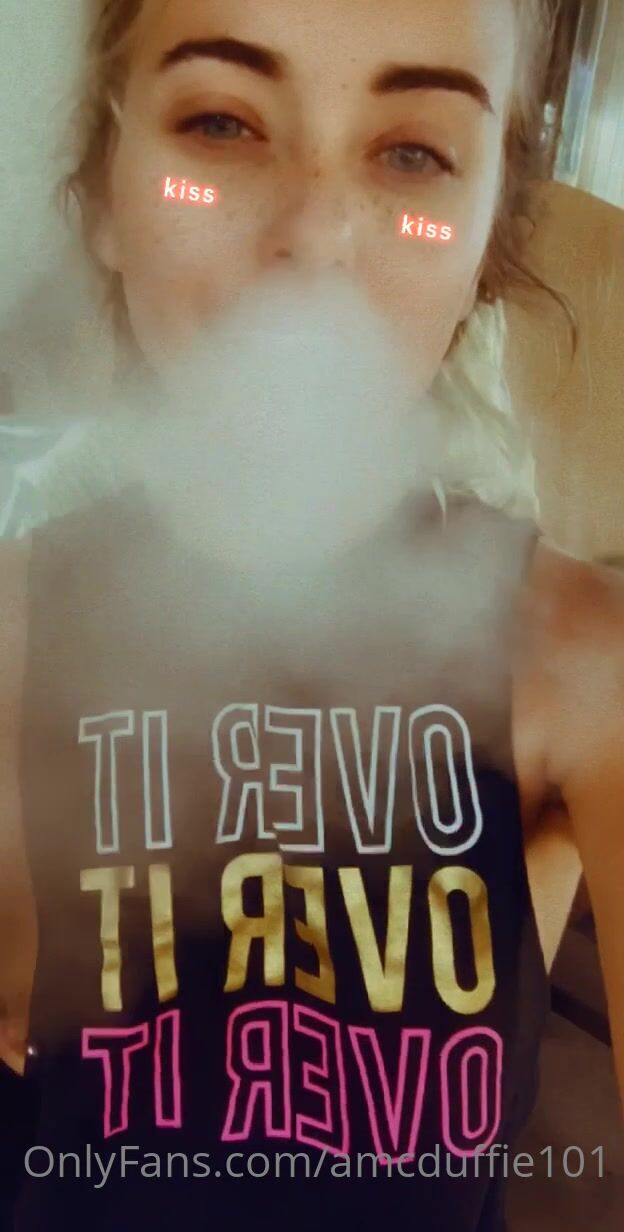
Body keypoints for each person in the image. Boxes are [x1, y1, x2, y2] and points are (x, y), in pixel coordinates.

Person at [1, 1, 623, 1230]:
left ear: (485, 238)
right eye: (221, 125)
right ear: (104, 198)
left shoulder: (581, 658)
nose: (314, 239)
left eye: (413, 154)